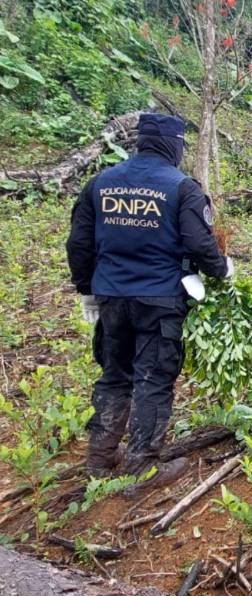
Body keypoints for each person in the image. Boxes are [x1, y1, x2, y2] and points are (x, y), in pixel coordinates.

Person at [66, 113, 233, 498]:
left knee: (114, 374)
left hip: (110, 297)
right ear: (174, 145)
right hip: (159, 299)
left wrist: (86, 289)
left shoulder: (101, 183)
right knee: (153, 378)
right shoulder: (182, 188)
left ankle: (100, 457)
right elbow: (199, 242)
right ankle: (141, 466)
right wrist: (222, 271)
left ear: (140, 142)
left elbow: (79, 244)